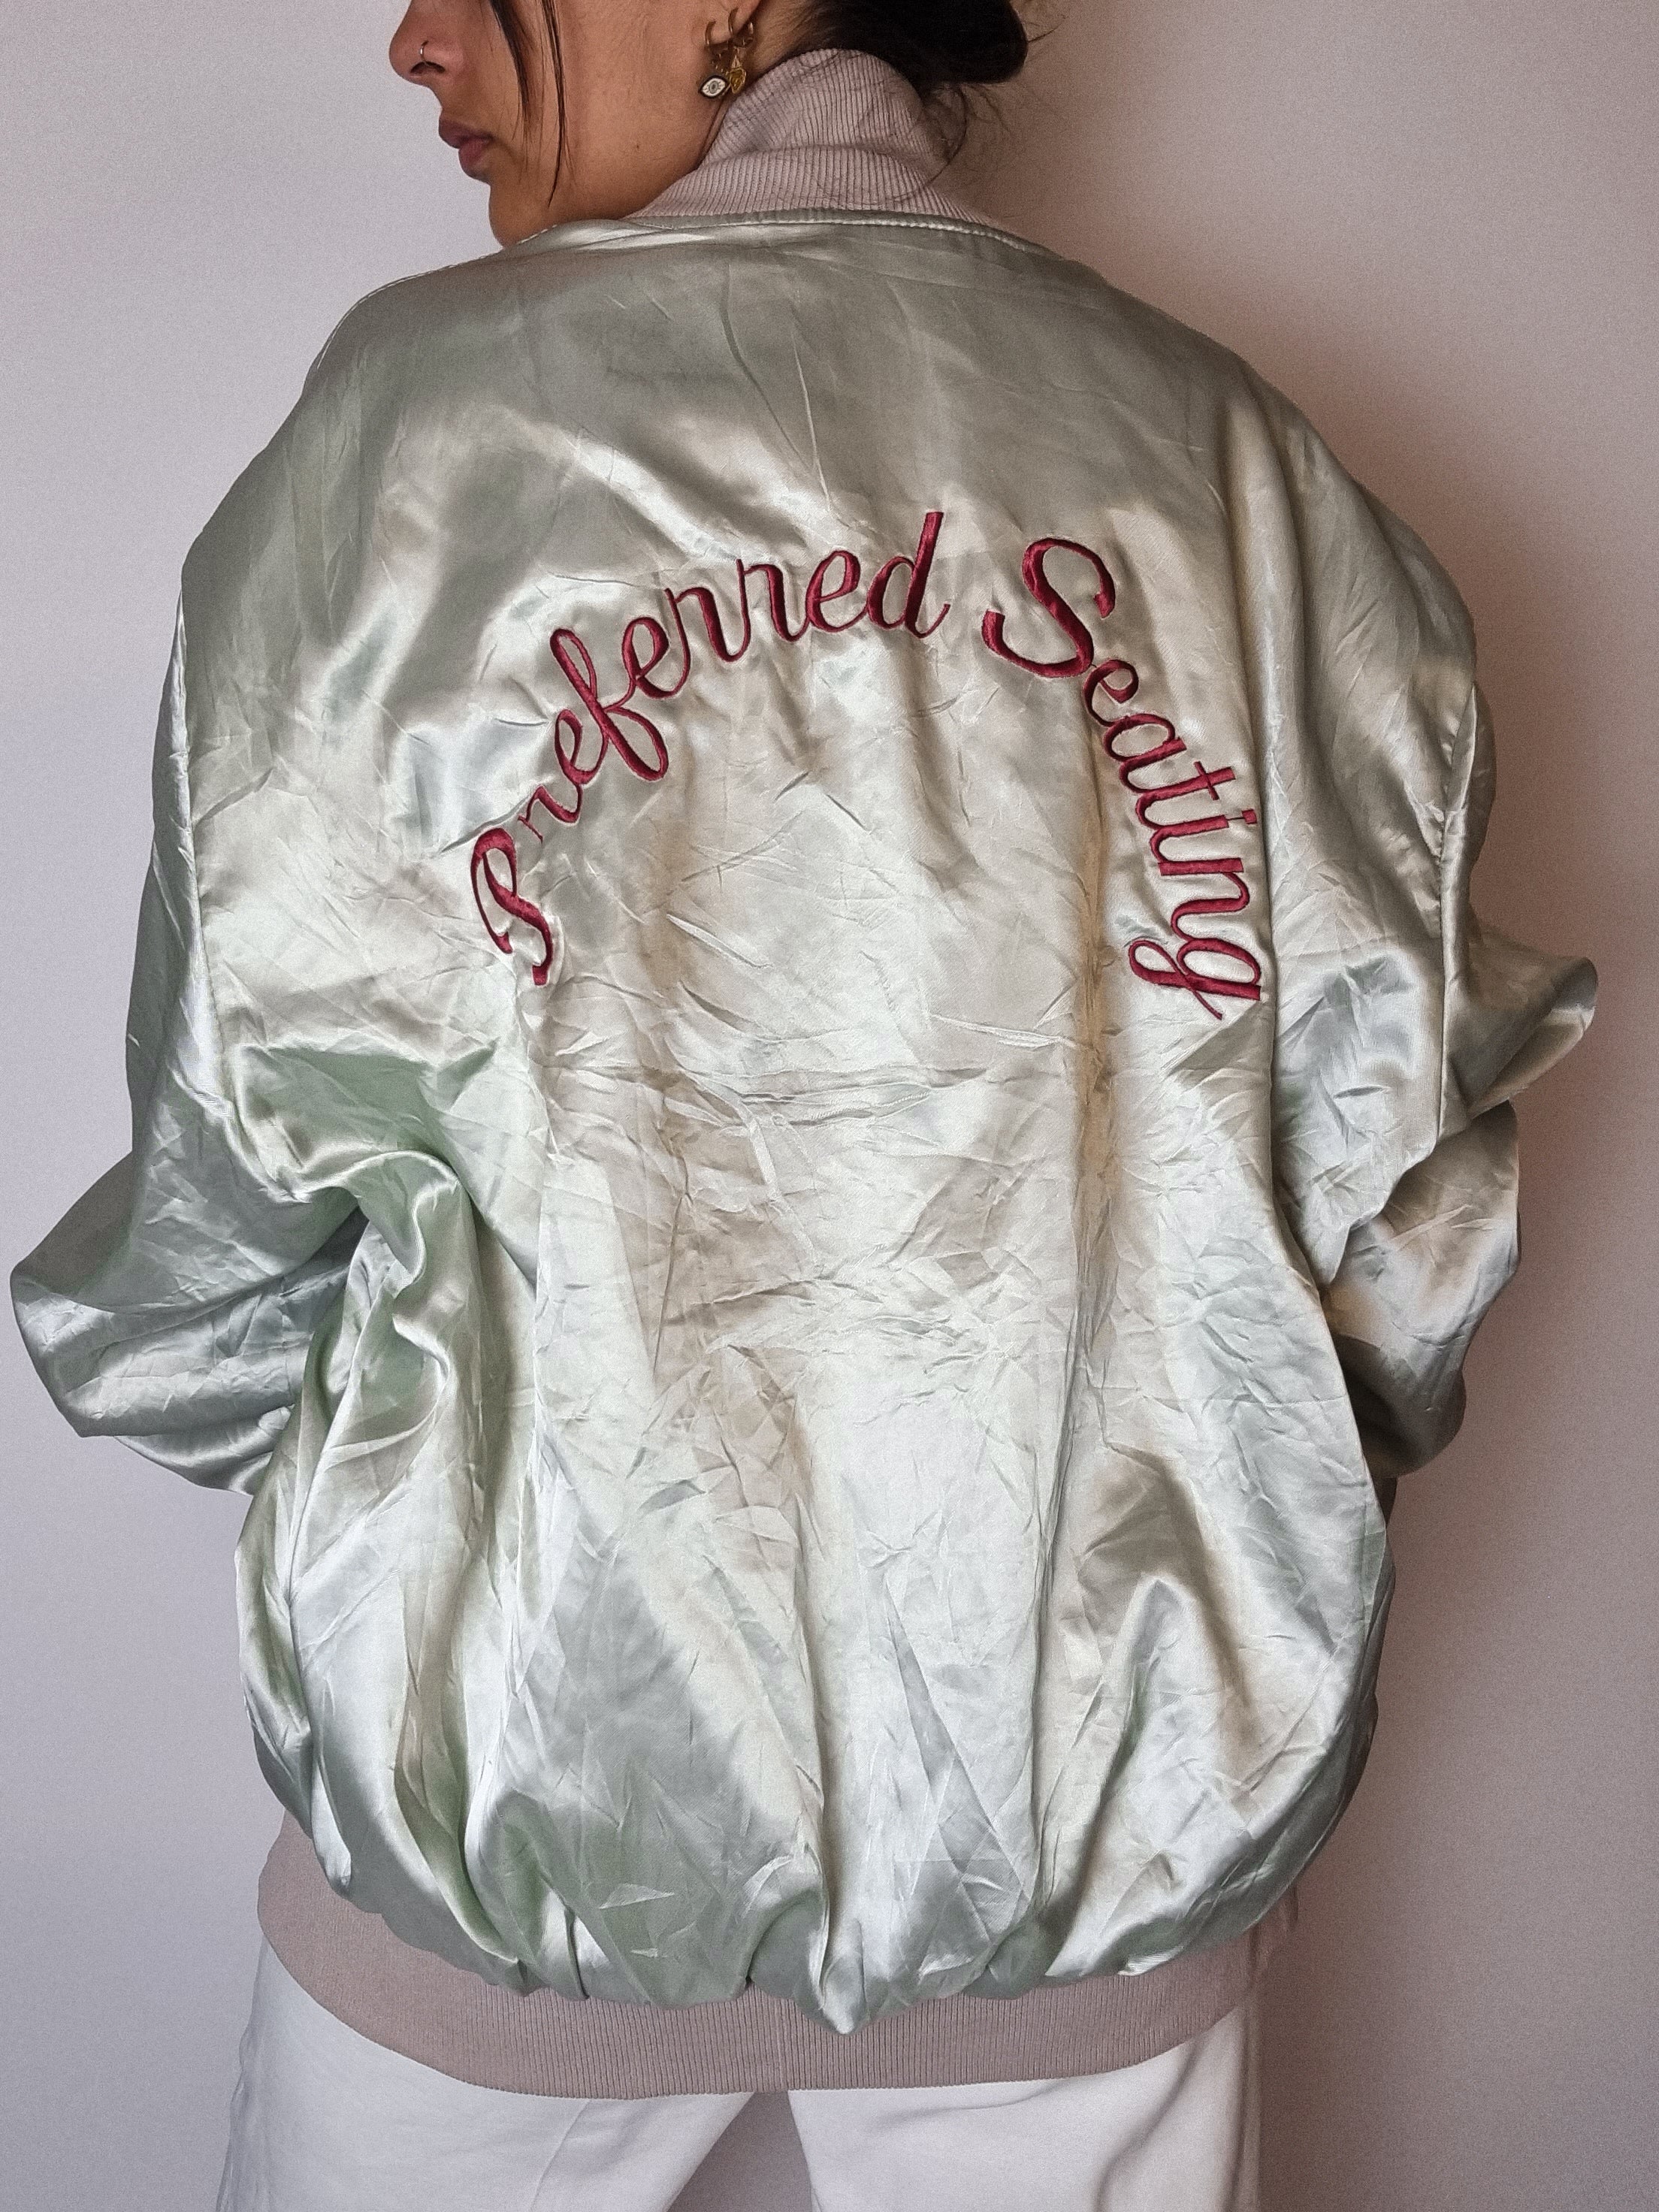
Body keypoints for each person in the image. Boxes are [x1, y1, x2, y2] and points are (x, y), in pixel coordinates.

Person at [11, 1, 1597, 2206]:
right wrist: (1198, 1498)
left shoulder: (411, 448)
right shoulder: (1243, 477)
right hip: (1091, 1832)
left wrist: (406, 1471)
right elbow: (1399, 1223)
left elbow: (221, 1230)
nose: (414, 38)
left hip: (515, 1799)